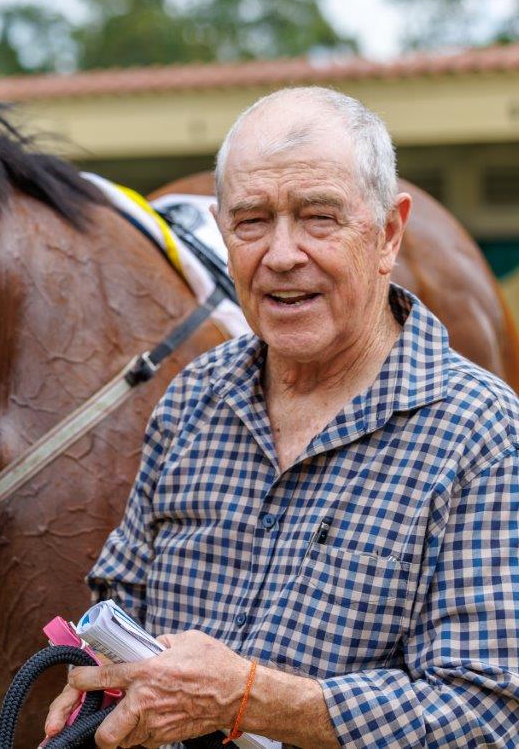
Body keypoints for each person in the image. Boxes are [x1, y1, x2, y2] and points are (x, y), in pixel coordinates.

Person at [46, 86, 519, 748]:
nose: (282, 254)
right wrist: (104, 679)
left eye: (318, 217)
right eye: (252, 222)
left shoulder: (485, 435)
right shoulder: (191, 401)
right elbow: (123, 601)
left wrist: (245, 698)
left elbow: (489, 716)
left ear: (388, 233)